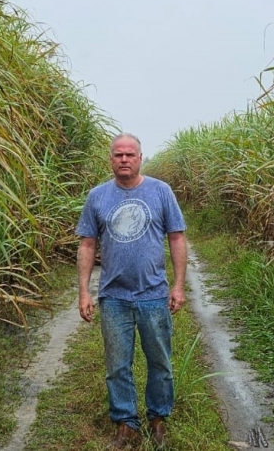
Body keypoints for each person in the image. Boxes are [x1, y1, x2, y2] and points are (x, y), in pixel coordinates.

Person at [76, 133, 187, 449]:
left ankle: (157, 418)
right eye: (118, 155)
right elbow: (87, 244)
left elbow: (177, 238)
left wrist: (178, 285)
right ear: (110, 159)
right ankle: (126, 423)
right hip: (113, 297)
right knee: (117, 366)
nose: (124, 159)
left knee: (160, 362)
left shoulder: (160, 191)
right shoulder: (97, 197)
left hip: (153, 294)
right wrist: (84, 292)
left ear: (140, 157)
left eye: (130, 154)